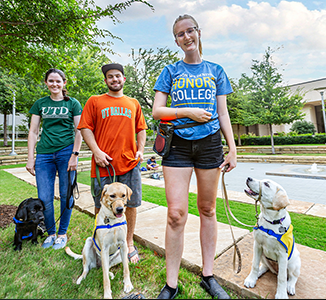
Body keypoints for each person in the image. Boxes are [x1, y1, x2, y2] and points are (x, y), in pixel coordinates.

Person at [152, 14, 237, 299]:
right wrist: (186, 112)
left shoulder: (216, 70)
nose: (186, 37)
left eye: (190, 31)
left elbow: (223, 112)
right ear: (175, 40)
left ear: (199, 32)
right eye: (180, 34)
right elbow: (157, 111)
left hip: (210, 144)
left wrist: (232, 148)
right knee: (176, 214)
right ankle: (171, 284)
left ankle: (209, 276)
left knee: (208, 209)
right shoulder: (170, 71)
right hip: (177, 145)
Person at [78, 63, 147, 264]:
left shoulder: (133, 103)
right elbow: (85, 128)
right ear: (106, 80)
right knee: (102, 206)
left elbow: (141, 129)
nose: (114, 79)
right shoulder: (95, 101)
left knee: (131, 204)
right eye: (110, 77)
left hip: (129, 164)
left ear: (124, 79)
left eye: (118, 76)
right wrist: (96, 152)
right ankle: (102, 246)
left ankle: (129, 242)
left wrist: (140, 149)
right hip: (103, 164)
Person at [26, 68, 83, 250]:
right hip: (44, 155)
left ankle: (62, 233)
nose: (54, 84)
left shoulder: (72, 103)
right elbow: (33, 132)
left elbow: (79, 130)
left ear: (64, 83)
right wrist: (30, 157)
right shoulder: (40, 104)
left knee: (67, 196)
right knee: (45, 197)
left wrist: (74, 155)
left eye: (58, 81)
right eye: (51, 81)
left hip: (67, 153)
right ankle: (51, 233)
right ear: (46, 83)